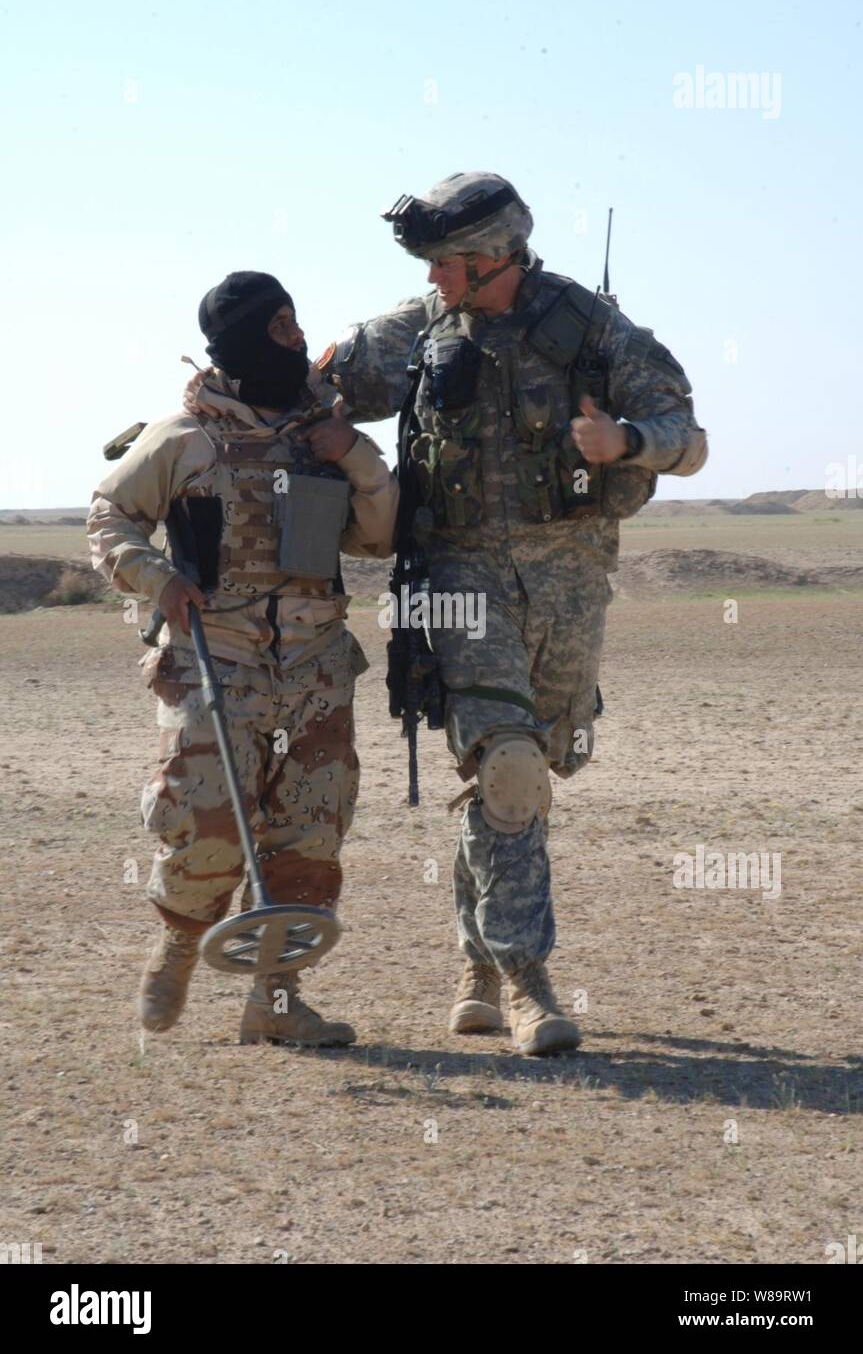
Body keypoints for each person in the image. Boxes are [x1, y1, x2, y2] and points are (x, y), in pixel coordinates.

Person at [316, 173, 708, 1055]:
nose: (435, 281)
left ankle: (475, 965)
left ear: (494, 257)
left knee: (527, 776)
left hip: (570, 584)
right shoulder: (417, 329)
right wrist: (215, 402)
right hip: (457, 578)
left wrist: (625, 443)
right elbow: (308, 388)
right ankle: (529, 982)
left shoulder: (591, 330)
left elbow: (690, 436)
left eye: (447, 264)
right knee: (508, 766)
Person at [88, 271, 398, 1046]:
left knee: (310, 833)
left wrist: (355, 453)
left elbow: (380, 536)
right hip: (213, 656)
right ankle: (181, 945)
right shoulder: (185, 436)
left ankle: (277, 1000)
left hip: (316, 663)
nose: (295, 339)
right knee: (206, 824)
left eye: (297, 325)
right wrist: (158, 580)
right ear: (246, 340)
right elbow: (111, 514)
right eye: (281, 327)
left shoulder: (325, 431)